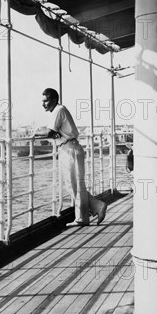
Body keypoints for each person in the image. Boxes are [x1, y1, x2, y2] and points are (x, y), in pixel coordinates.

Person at [36, 88, 107, 225]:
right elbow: (53, 132)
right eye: (42, 101)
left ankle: (82, 218)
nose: (43, 104)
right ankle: (96, 207)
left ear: (54, 100)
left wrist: (37, 133)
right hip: (69, 148)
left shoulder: (58, 110)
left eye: (46, 101)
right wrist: (51, 133)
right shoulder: (58, 110)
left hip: (69, 149)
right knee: (74, 184)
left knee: (74, 185)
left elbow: (50, 133)